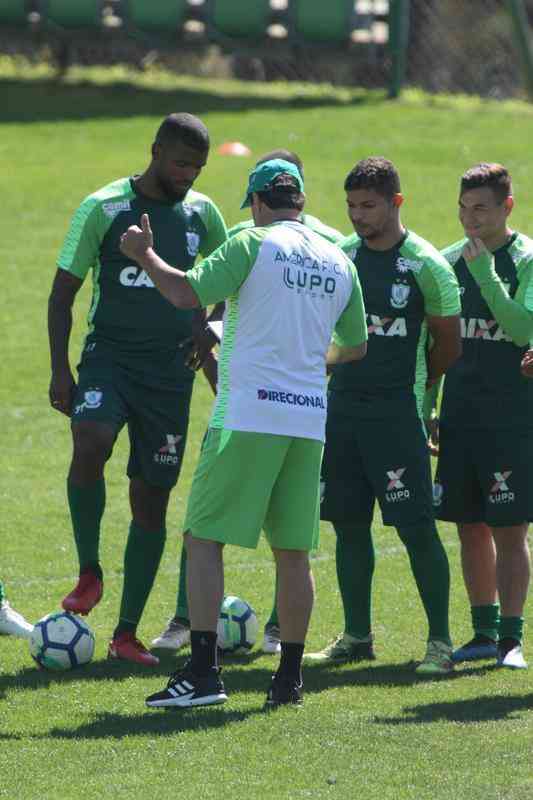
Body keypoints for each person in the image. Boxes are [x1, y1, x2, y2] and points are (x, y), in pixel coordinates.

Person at [120, 158, 368, 707]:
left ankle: (204, 674)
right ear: (299, 200)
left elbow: (187, 293)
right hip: (307, 421)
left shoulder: (251, 243)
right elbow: (356, 345)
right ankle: (289, 681)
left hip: (247, 414)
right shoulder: (337, 258)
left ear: (258, 203)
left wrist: (145, 255)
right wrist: (308, 360)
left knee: (203, 538)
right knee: (293, 553)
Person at [47, 113, 227, 666]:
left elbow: (228, 277)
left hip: (169, 377)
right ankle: (89, 572)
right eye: (180, 164)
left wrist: (209, 326)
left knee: (151, 500)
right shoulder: (103, 207)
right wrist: (60, 369)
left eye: (197, 167)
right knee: (91, 440)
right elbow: (61, 295)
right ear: (155, 151)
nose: (188, 176)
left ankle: (126, 635)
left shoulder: (203, 214)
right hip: (110, 362)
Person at [306, 157, 462, 675]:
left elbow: (448, 345)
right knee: (348, 525)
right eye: (351, 205)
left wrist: (422, 394)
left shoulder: (425, 264)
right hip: (343, 411)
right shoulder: (342, 257)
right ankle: (356, 635)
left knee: (416, 527)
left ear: (396, 202)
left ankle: (440, 643)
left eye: (367, 206)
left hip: (397, 416)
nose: (356, 215)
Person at [433, 163, 532, 669]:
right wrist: (427, 405)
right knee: (468, 524)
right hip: (460, 415)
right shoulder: (447, 261)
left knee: (509, 527)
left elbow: (522, 329)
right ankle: (482, 631)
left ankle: (512, 640)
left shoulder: (527, 260)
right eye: (464, 208)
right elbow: (431, 343)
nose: (471, 220)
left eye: (483, 209)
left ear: (507, 207)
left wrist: (485, 275)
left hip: (512, 418)